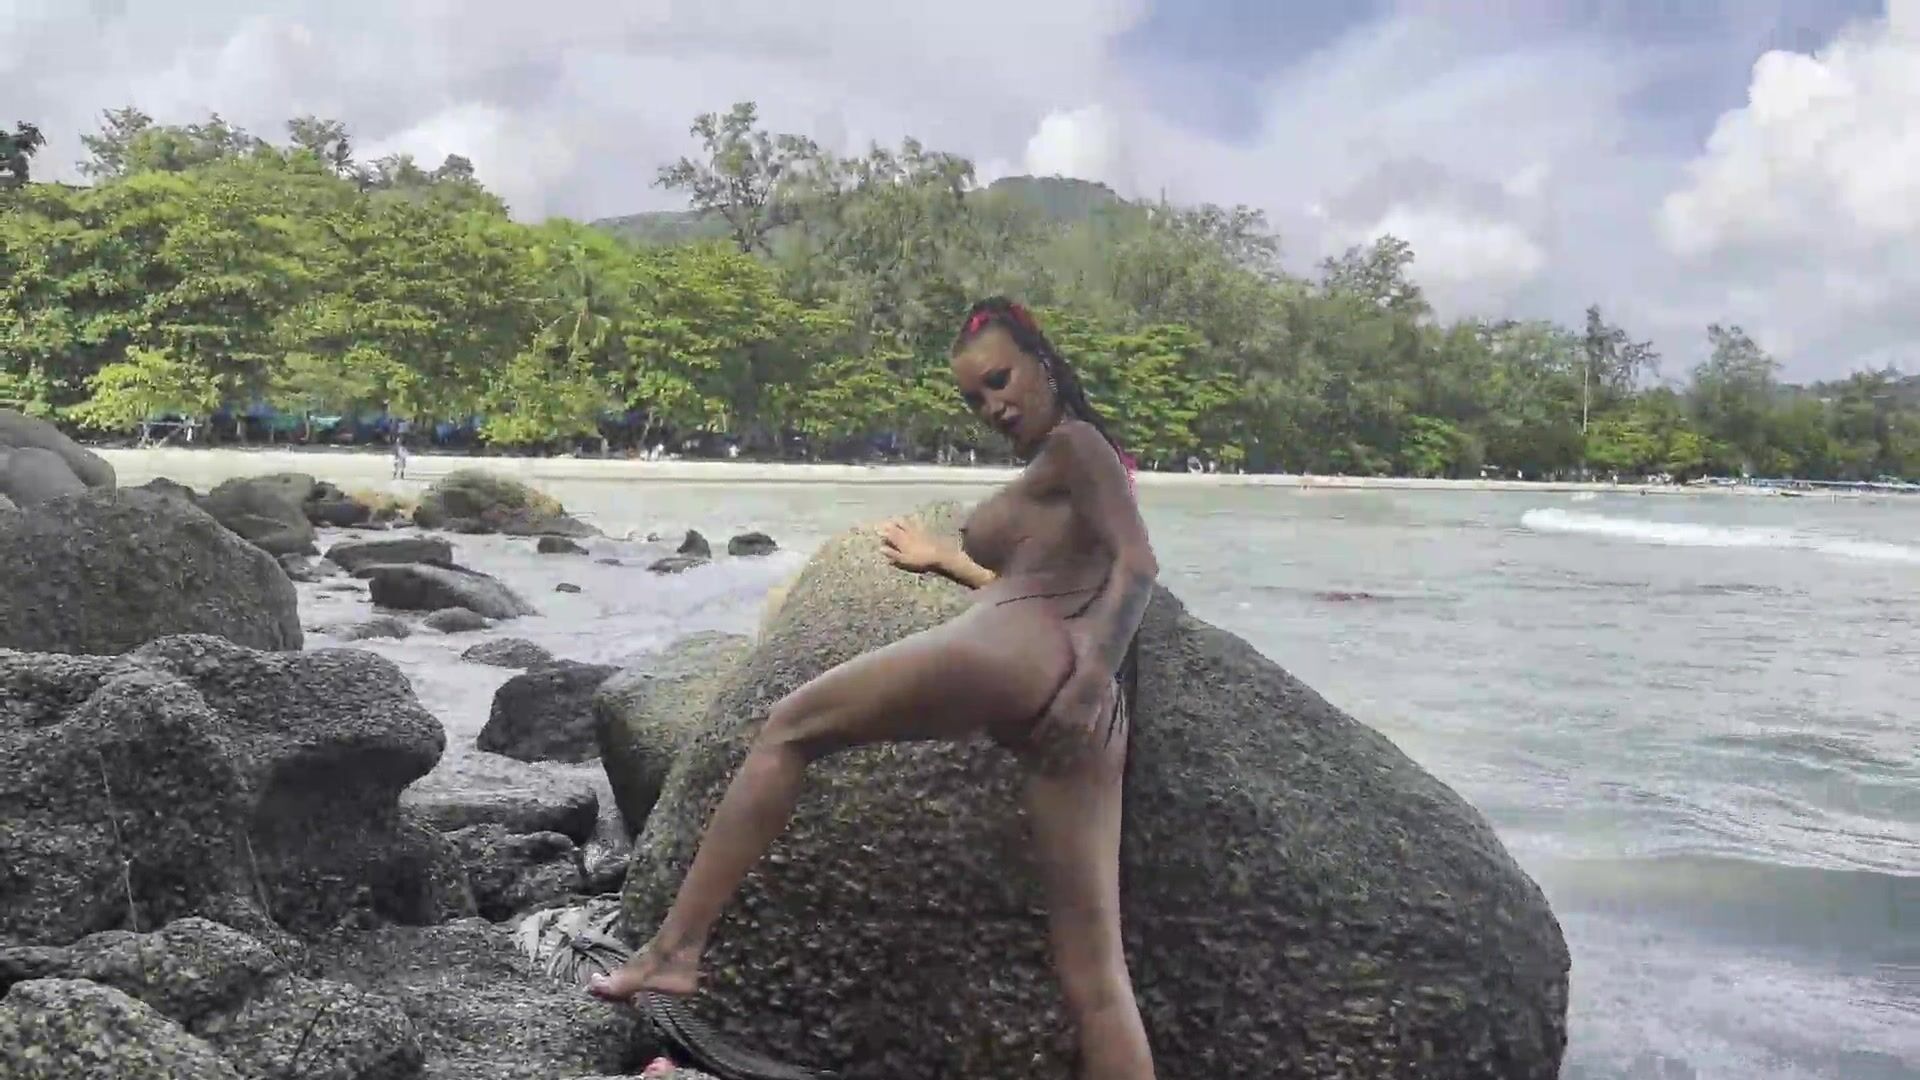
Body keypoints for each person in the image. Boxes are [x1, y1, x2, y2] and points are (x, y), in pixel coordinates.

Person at [588, 297, 1160, 1080]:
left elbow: (1139, 565)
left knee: (789, 728)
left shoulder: (1077, 444)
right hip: (1069, 695)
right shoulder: (1071, 462)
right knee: (1095, 972)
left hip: (1035, 658)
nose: (993, 406)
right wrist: (949, 562)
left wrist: (1089, 678)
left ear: (1042, 361)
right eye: (975, 399)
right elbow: (1053, 573)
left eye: (1000, 380)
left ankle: (674, 950)